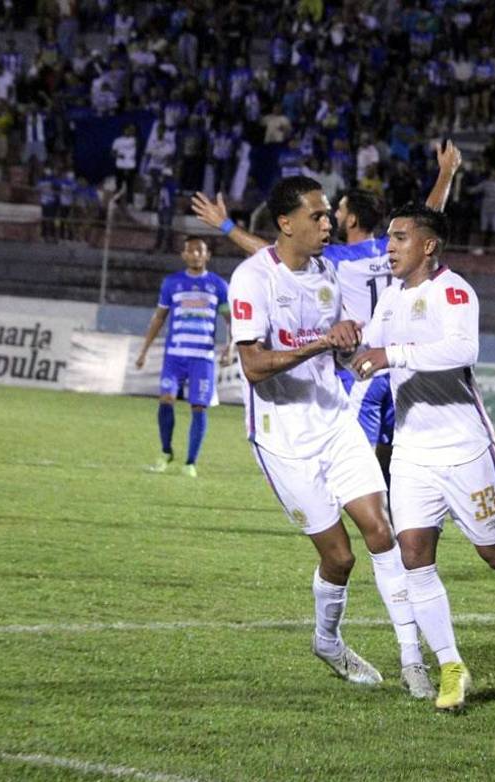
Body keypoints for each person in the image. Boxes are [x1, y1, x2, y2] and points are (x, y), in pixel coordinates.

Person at [349, 204, 495, 712]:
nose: (390, 247)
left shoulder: (453, 291)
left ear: (428, 245)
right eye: (388, 238)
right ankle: (451, 665)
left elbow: (462, 351)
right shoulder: (391, 298)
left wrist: (390, 355)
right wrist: (348, 346)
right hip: (412, 453)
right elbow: (368, 347)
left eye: (400, 237)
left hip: (466, 450)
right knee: (414, 556)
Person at [224, 176, 431, 697]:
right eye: (316, 216)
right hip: (283, 439)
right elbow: (252, 368)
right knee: (339, 558)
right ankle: (327, 640)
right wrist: (321, 343)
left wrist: (349, 347)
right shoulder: (252, 280)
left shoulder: (324, 275)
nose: (327, 223)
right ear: (285, 224)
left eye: (327, 214)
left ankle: (413, 660)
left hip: (334, 421)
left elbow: (334, 348)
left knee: (382, 531)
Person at [192, 142, 464, 483]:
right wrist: (446, 173)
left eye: (336, 211)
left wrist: (227, 227)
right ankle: (396, 509)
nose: (329, 218)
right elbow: (428, 219)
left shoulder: (333, 260)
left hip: (363, 365)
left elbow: (274, 255)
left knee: (354, 458)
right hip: (400, 363)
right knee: (395, 450)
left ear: (350, 218)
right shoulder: (393, 249)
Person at [135, 236, 230, 479]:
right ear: (184, 255)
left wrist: (231, 347)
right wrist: (144, 350)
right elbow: (159, 318)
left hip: (202, 358)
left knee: (198, 406)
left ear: (207, 256)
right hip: (174, 356)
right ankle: (166, 451)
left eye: (201, 251)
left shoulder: (218, 286)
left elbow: (230, 320)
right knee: (166, 399)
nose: (196, 254)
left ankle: (190, 462)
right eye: (191, 251)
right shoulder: (171, 284)